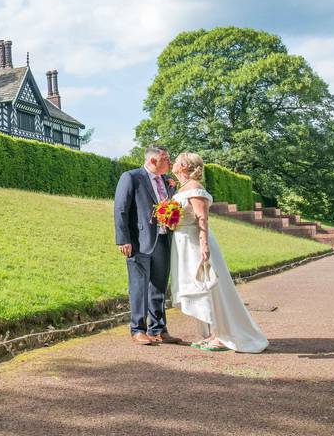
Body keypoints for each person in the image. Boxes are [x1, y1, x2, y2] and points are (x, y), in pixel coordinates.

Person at [168, 152, 269, 353]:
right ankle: (214, 333)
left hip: (195, 242)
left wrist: (204, 245)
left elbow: (202, 219)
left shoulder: (195, 189)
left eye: (177, 160)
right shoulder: (184, 188)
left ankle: (222, 336)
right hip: (183, 241)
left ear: (185, 166)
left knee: (207, 285)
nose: (174, 162)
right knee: (200, 285)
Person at [114, 146, 182, 345]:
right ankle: (138, 329)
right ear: (153, 161)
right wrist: (123, 239)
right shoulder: (132, 177)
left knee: (159, 286)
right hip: (138, 242)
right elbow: (120, 209)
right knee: (139, 286)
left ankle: (159, 329)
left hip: (163, 239)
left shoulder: (167, 181)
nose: (169, 163)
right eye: (166, 159)